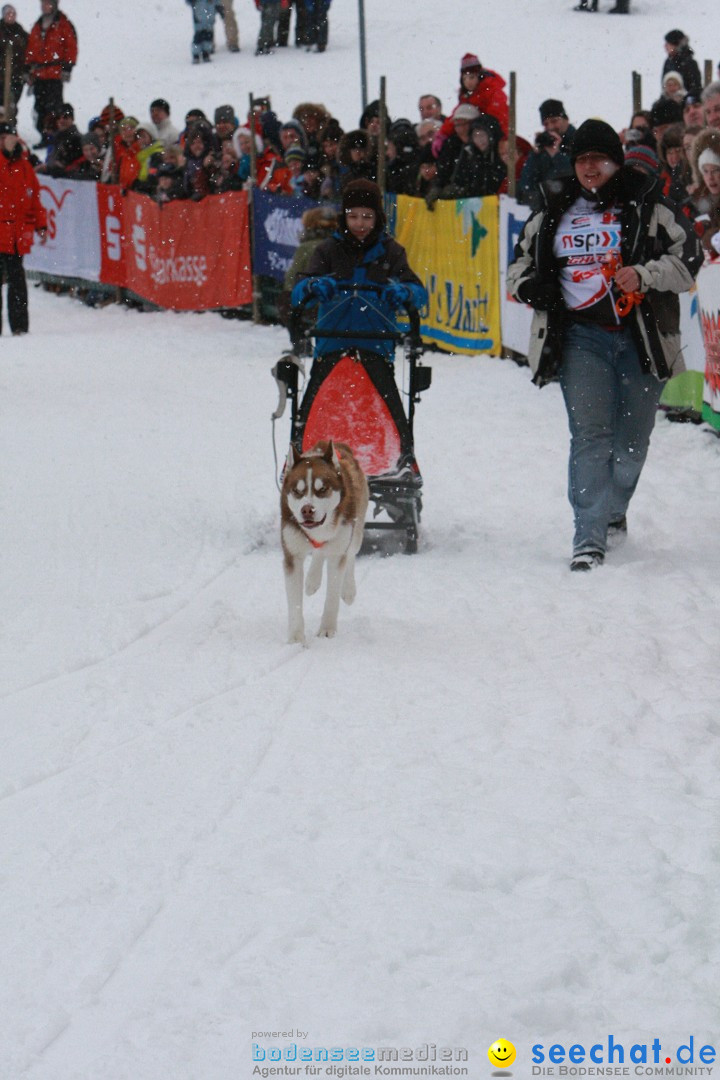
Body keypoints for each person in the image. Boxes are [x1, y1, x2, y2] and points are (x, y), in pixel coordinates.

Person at [507, 119, 702, 571]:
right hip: (579, 340)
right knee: (591, 437)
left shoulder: (649, 203)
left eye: (598, 158)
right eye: (581, 160)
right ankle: (588, 537)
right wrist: (535, 289)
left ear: (616, 161)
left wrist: (645, 274)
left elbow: (689, 258)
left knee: (631, 446)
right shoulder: (553, 209)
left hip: (641, 339)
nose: (589, 168)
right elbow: (516, 267)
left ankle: (614, 509)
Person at [290, 179, 428, 464]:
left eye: (367, 216)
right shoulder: (327, 250)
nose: (360, 223)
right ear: (344, 217)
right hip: (331, 345)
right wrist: (316, 286)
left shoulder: (391, 252)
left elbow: (418, 293)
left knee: (390, 411)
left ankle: (399, 461)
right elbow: (298, 293)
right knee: (312, 412)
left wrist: (403, 292)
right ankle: (302, 456)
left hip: (376, 347)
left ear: (377, 218)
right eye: (353, 216)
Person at [0, 121, 48, 335]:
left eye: (6, 136)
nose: (4, 141)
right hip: (4, 230)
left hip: (17, 233)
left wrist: (41, 224)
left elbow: (35, 198)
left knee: (17, 281)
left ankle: (19, 326)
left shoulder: (25, 166)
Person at [24, 0, 77, 147]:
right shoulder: (38, 25)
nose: (44, 6)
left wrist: (67, 68)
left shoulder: (63, 24)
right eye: (42, 3)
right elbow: (31, 48)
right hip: (39, 74)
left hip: (54, 74)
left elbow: (71, 46)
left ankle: (56, 138)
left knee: (54, 108)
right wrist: (28, 68)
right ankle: (44, 136)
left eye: (47, 3)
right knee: (39, 107)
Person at [518, 99, 575, 210]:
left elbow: (575, 174)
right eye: (546, 124)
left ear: (566, 120)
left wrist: (556, 154)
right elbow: (526, 184)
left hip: (571, 207)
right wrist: (535, 156)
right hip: (546, 209)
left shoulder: (578, 140)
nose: (550, 127)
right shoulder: (544, 146)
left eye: (554, 121)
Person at [0, 5, 28, 115]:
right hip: (1, 76)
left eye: (13, 14)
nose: (11, 16)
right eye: (8, 14)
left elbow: (29, 52)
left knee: (12, 105)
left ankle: (10, 127)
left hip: (16, 76)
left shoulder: (21, 33)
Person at [662, 30, 701, 100]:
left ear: (676, 44)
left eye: (668, 44)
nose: (665, 47)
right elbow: (664, 87)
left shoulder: (690, 63)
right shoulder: (668, 62)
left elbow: (695, 88)